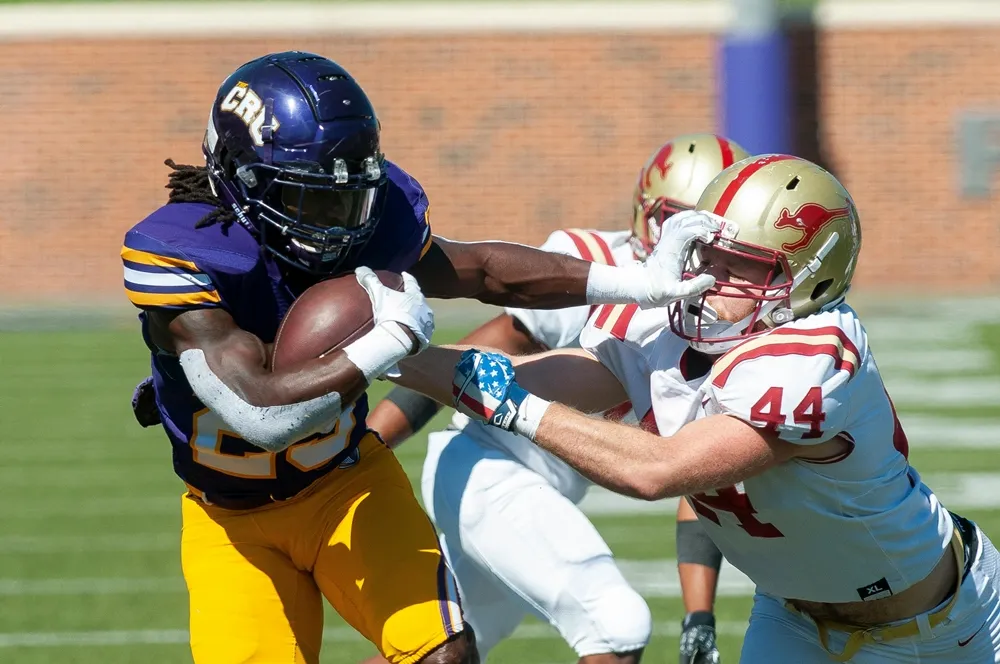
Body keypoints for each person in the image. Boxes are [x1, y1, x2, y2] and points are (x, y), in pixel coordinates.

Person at [122, 51, 713, 664]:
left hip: (344, 481)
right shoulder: (186, 254)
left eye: (349, 199)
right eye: (312, 200)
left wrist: (637, 281)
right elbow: (262, 416)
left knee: (445, 655)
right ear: (242, 179)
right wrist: (388, 339)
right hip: (231, 521)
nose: (340, 223)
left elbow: (484, 270)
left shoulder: (363, 218)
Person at [389, 154, 1000, 663]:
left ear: (809, 281)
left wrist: (514, 407)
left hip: (947, 624)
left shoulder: (814, 350)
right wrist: (384, 349)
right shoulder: (664, 320)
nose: (710, 279)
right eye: (707, 256)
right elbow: (547, 375)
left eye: (742, 267)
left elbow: (657, 471)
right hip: (792, 619)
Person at [367, 134, 748, 664]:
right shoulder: (599, 266)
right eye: (675, 221)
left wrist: (698, 616)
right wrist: (368, 443)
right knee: (615, 626)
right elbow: (471, 365)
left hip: (538, 492)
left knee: (446, 650)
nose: (690, 248)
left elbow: (700, 468)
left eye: (706, 231)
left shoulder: (725, 315)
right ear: (645, 213)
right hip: (490, 470)